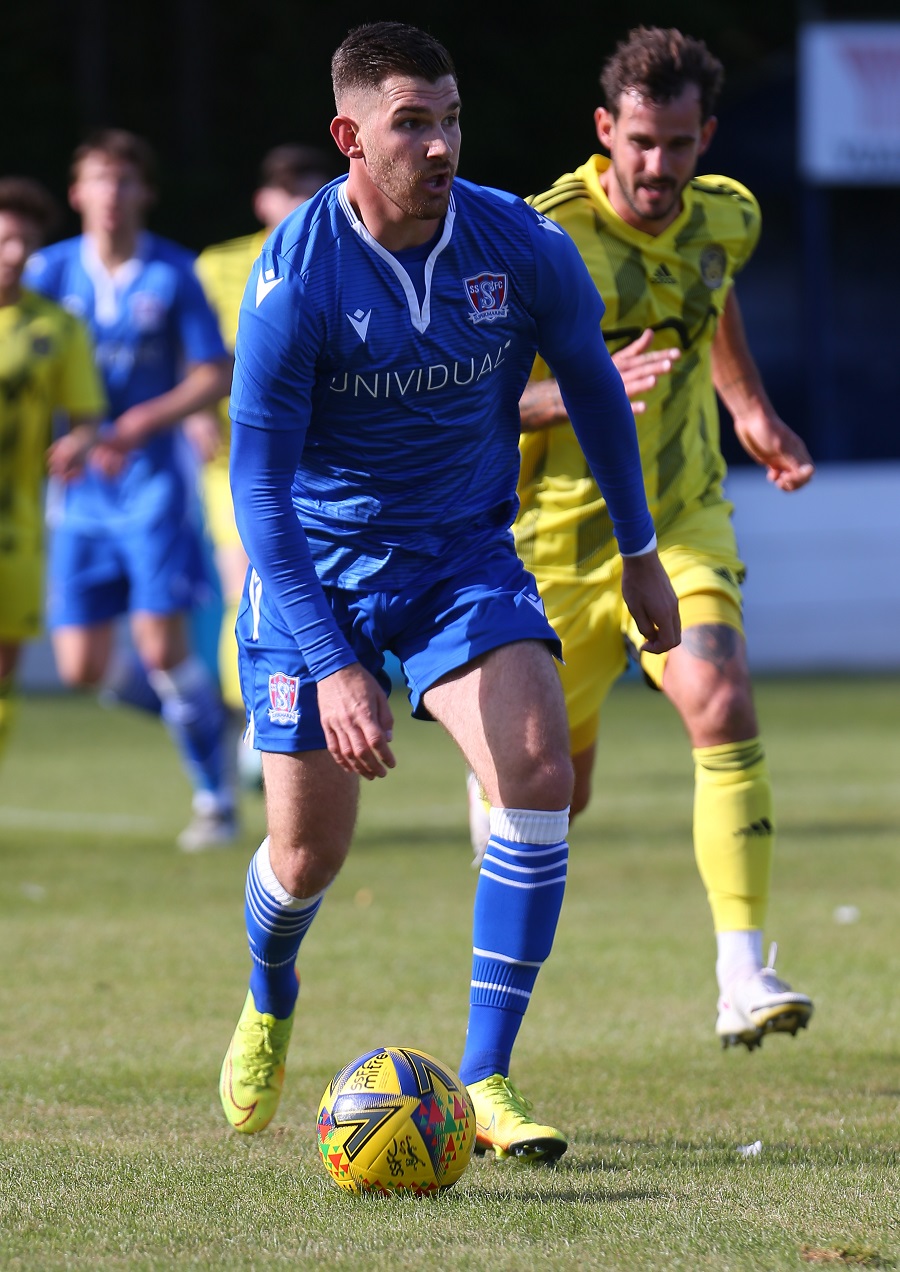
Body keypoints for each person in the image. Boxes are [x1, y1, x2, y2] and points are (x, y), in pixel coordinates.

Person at [218, 20, 680, 1162]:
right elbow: (260, 498)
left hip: (459, 560)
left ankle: (484, 1079)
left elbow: (595, 394)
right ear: (350, 137)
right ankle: (270, 993)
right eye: (410, 124)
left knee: (537, 770)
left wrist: (638, 549)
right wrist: (332, 665)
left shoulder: (518, 244)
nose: (439, 146)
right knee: (309, 855)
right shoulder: (294, 286)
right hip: (314, 579)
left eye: (451, 119)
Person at [472, 26, 815, 1052]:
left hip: (677, 517)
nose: (659, 167)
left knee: (720, 696)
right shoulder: (538, 237)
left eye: (678, 144)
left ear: (705, 134)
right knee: (552, 801)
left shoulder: (730, 217)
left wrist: (749, 409)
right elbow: (477, 395)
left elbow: (713, 301)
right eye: (640, 144)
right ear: (602, 132)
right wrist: (576, 393)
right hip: (551, 543)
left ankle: (742, 974)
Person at [24, 130, 237, 851]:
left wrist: (141, 422)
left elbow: (215, 370)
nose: (111, 196)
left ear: (144, 192)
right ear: (77, 193)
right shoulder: (49, 274)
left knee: (159, 645)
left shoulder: (172, 273)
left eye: (124, 181)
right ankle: (204, 712)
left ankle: (215, 797)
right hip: (77, 492)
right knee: (84, 668)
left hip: (150, 486)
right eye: (97, 181)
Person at [189, 145, 339, 779]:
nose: (300, 205)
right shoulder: (217, 264)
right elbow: (194, 350)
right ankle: (253, 718)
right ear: (263, 201)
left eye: (311, 191)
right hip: (234, 458)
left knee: (297, 585)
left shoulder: (336, 255)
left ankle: (283, 713)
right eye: (288, 192)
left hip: (316, 460)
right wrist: (196, 411)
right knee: (244, 581)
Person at [0, 177, 105, 769]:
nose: (16, 254)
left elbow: (87, 417)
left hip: (16, 524)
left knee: (3, 666)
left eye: (26, 243)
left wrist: (77, 445)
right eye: (7, 238)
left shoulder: (56, 328)